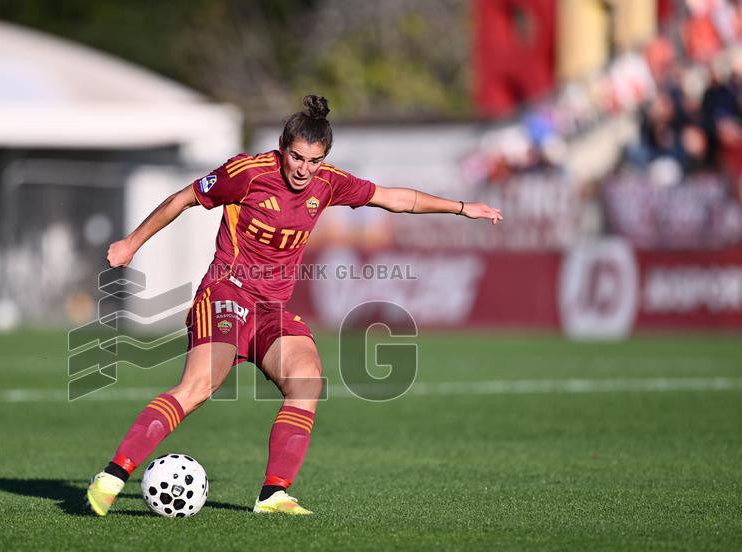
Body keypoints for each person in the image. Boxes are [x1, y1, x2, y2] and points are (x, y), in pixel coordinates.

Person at [86, 95, 502, 516]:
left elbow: (395, 199)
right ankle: (112, 478)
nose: (304, 169)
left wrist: (463, 208)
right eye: (297, 158)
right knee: (198, 388)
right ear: (283, 147)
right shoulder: (246, 173)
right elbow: (182, 198)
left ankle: (274, 494)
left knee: (308, 379)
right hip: (227, 293)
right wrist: (131, 244)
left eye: (314, 161)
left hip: (272, 309)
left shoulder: (329, 182)